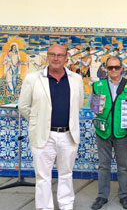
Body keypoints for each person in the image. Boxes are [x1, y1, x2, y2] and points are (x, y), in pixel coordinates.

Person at [18, 44, 84, 210]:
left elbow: (79, 105)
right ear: (47, 56)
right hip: (43, 135)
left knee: (66, 174)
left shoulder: (76, 79)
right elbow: (24, 106)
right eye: (53, 54)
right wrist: (38, 122)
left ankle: (66, 206)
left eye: (60, 55)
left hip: (68, 136)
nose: (56, 58)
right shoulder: (33, 79)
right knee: (43, 177)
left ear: (66, 58)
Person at [90, 56, 127, 210]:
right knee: (104, 166)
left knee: (123, 167)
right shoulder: (98, 86)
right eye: (111, 68)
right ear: (106, 69)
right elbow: (94, 109)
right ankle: (102, 196)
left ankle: (124, 195)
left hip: (122, 133)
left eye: (117, 67)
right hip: (103, 132)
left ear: (122, 68)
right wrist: (98, 106)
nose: (114, 70)